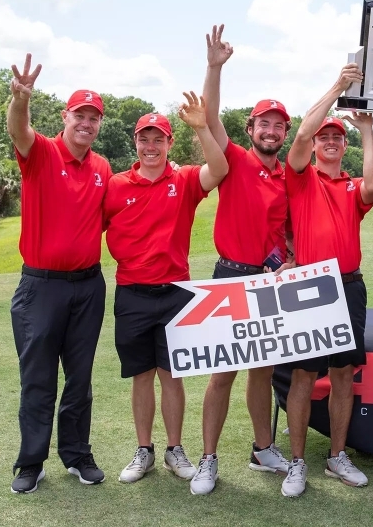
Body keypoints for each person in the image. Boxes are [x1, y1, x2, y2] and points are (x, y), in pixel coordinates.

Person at [190, 24, 295, 496]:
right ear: (251, 129)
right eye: (263, 124)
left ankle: (262, 447)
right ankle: (208, 458)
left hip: (270, 281)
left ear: (284, 133)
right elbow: (209, 118)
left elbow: (289, 232)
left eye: (278, 125)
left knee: (264, 372)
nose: (270, 131)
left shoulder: (289, 178)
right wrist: (214, 68)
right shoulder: (231, 159)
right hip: (230, 275)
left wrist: (288, 258)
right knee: (223, 372)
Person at [104, 93, 228, 484]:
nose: (151, 146)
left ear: (170, 143)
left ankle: (175, 450)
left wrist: (202, 127)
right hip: (132, 291)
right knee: (141, 374)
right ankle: (145, 451)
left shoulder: (186, 179)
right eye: (145, 139)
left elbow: (220, 168)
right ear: (135, 143)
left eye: (159, 139)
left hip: (175, 292)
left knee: (171, 375)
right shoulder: (116, 185)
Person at [7, 53, 110, 493]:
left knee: (80, 379)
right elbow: (19, 129)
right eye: (79, 115)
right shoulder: (42, 152)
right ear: (65, 117)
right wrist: (21, 99)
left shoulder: (103, 168)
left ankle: (77, 454)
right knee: (38, 378)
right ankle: (32, 461)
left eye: (94, 117)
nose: (86, 122)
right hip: (41, 287)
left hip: (88, 286)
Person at [279, 64, 373, 497]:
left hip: (349, 285)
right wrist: (339, 86)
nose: (330, 141)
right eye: (327, 136)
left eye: (337, 137)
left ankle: (337, 456)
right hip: (310, 285)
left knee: (343, 373)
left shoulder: (352, 184)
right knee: (303, 375)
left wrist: (365, 130)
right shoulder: (301, 178)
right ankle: (298, 462)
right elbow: (300, 136)